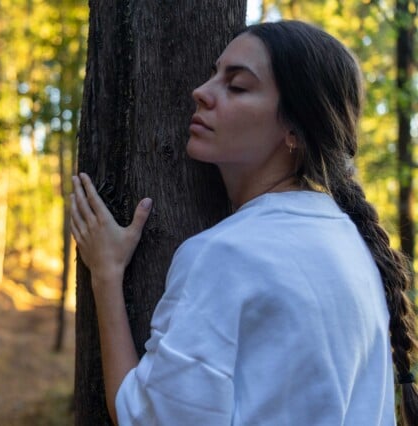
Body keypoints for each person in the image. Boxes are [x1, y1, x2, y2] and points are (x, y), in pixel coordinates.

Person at [70, 20, 418, 425]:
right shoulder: (354, 246)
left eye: (236, 86)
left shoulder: (225, 254)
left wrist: (106, 275)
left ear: (293, 129)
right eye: (214, 74)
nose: (200, 92)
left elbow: (147, 418)